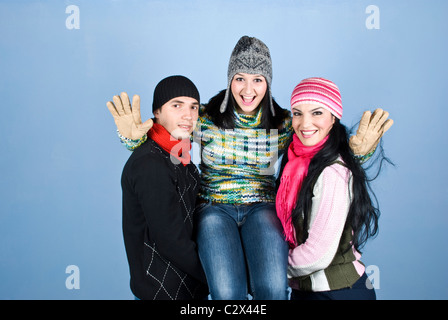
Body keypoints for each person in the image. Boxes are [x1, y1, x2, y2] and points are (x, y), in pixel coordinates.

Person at [107, 36, 392, 300]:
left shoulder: (283, 123)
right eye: (240, 78)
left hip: (262, 208)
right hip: (214, 208)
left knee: (271, 286)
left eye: (257, 79)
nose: (248, 89)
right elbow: (167, 144)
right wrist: (132, 140)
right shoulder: (205, 117)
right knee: (227, 290)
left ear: (267, 82)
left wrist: (356, 154)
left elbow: (316, 154)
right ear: (230, 80)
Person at [276, 77, 388, 300]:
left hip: (337, 293)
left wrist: (267, 268)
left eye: (317, 113)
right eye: (297, 113)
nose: (305, 124)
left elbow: (317, 255)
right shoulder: (294, 161)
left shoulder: (332, 172)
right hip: (306, 291)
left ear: (334, 117)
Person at [111, 75, 208, 300]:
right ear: (157, 112)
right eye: (177, 105)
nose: (188, 115)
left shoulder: (178, 156)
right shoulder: (150, 163)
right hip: (161, 294)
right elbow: (170, 241)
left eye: (194, 107)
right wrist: (220, 276)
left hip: (189, 293)